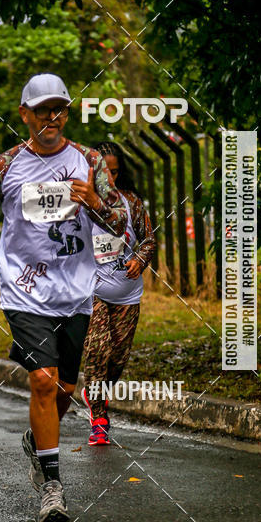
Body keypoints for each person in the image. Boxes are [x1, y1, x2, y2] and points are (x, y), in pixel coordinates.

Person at [0, 73, 127, 522]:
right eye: (41, 110)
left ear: (66, 114)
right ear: (25, 115)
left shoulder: (90, 161)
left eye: (58, 110)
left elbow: (117, 224)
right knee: (43, 380)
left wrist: (94, 199)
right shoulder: (4, 165)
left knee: (65, 390)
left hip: (75, 293)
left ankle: (39, 440)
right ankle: (52, 486)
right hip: (24, 289)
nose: (50, 118)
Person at [82, 141, 156, 444]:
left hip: (128, 295)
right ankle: (99, 417)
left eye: (114, 172)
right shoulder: (82, 205)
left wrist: (140, 259)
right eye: (104, 173)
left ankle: (94, 392)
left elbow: (149, 240)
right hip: (93, 292)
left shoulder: (131, 202)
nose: (110, 179)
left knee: (118, 358)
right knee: (99, 349)